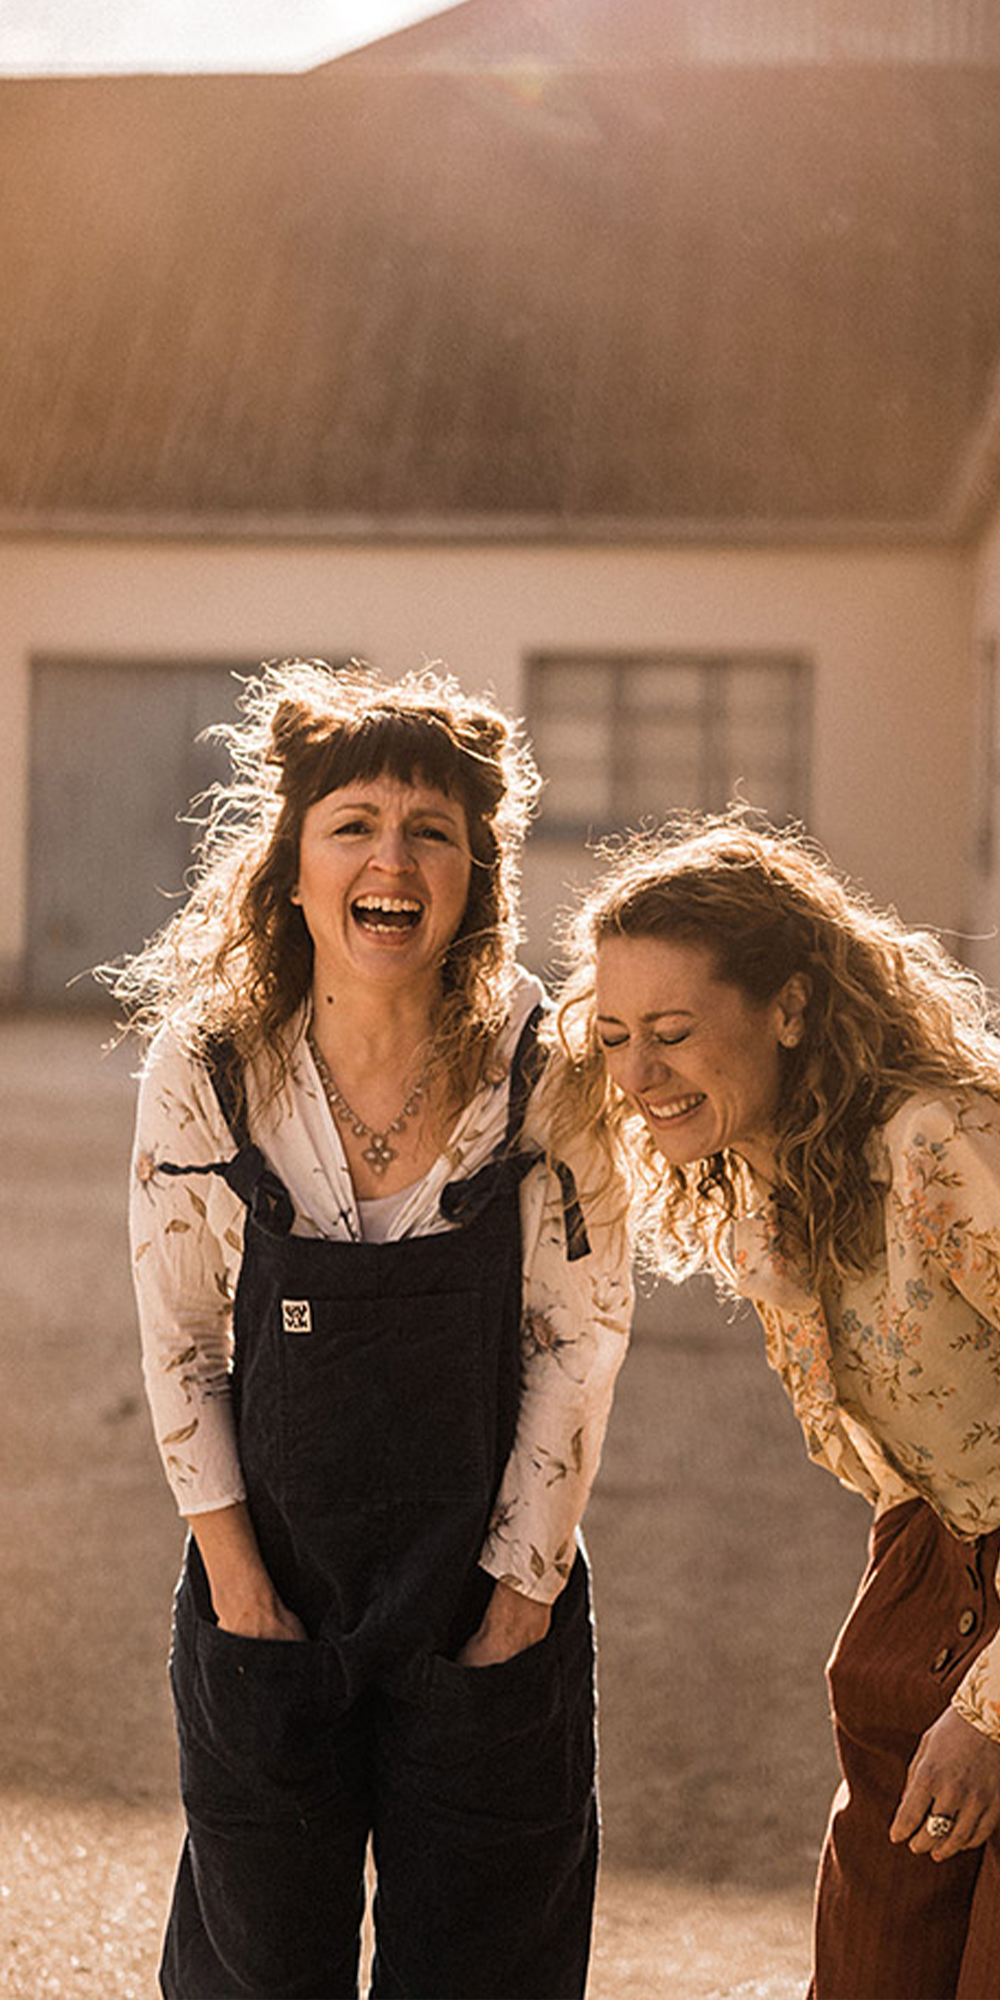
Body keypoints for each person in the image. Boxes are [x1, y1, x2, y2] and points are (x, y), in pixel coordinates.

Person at [117, 658, 632, 2000]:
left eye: (432, 832)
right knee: (256, 1965)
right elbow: (179, 1345)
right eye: (353, 823)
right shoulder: (209, 1065)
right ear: (295, 868)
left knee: (486, 1965)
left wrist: (518, 1607)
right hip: (268, 1590)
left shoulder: (545, 1068)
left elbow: (583, 1336)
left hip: (486, 1604)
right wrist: (239, 1593)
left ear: (476, 880)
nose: (390, 857)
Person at [552, 812, 1000, 2000]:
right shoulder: (765, 1185)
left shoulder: (936, 1144)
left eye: (673, 1033)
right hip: (924, 1590)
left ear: (791, 1007)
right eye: (612, 1037)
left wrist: (992, 1708)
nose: (637, 1075)